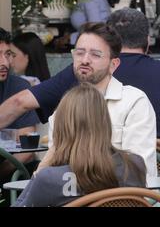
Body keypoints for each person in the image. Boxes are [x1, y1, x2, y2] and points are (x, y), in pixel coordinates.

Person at [0, 8, 160, 181]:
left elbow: (20, 102)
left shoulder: (80, 76)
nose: (85, 60)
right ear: (147, 42)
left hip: (95, 190)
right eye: (80, 52)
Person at [46, 22, 157, 179]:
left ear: (114, 64)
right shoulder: (64, 108)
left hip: (126, 199)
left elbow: (138, 171)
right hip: (73, 197)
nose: (85, 60)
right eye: (79, 52)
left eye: (95, 55)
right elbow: (56, 170)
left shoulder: (133, 102)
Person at [13, 83, 146, 207]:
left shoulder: (49, 178)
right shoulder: (135, 165)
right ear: (105, 122)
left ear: (62, 127)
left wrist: (39, 171)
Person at [0, 28, 40, 188]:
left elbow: (28, 147)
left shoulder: (19, 87)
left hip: (9, 170)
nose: (4, 62)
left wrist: (1, 172)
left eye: (8, 54)